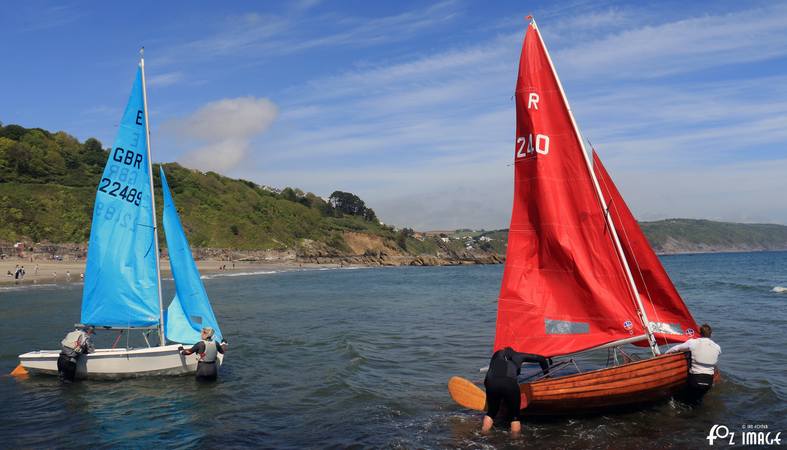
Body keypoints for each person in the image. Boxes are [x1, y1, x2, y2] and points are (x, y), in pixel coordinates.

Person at [482, 347, 550, 435]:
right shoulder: (519, 356)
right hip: (510, 384)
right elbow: (542, 359)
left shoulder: (496, 355)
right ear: (514, 352)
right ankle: (516, 441)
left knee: (491, 412)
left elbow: (487, 380)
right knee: (515, 417)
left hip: (491, 382)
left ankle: (483, 435)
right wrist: (546, 376)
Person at [666, 323, 721, 403]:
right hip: (708, 382)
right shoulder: (717, 347)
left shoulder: (693, 342)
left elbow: (676, 348)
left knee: (683, 401)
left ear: (699, 333)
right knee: (697, 400)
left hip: (695, 380)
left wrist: (665, 353)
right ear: (711, 334)